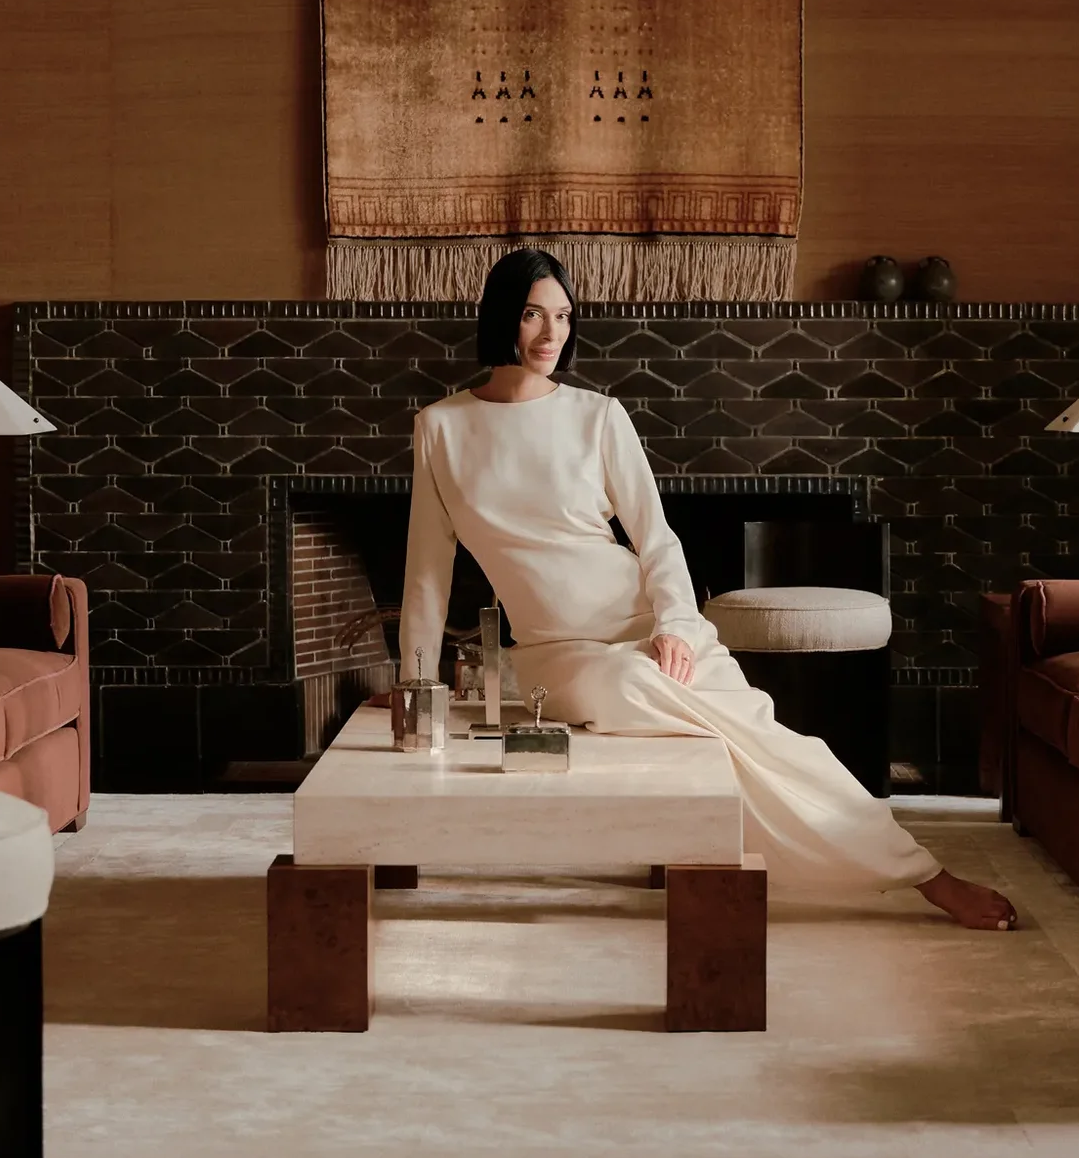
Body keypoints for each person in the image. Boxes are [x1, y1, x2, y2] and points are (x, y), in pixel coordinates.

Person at [398, 248, 1018, 931]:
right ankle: (889, 869)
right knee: (636, 689)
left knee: (773, 738)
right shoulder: (441, 430)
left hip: (652, 628)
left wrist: (674, 627)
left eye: (565, 317)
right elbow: (427, 576)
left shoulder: (596, 417)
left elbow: (657, 539)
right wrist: (413, 684)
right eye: (533, 315)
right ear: (502, 319)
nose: (553, 335)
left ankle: (922, 873)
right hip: (563, 655)